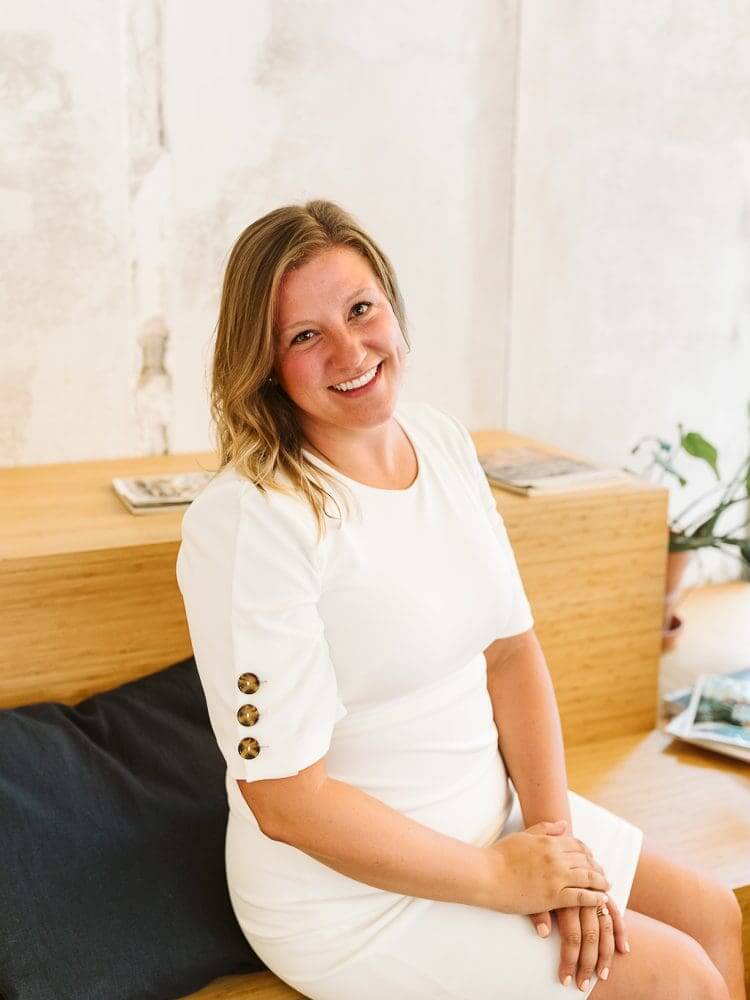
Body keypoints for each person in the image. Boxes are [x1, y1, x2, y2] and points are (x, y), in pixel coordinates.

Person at [175, 199, 745, 1000]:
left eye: (361, 309)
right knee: (676, 978)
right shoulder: (253, 521)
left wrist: (551, 844)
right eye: (305, 335)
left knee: (713, 915)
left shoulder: (439, 441)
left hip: (494, 824)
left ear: (392, 307)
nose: (350, 350)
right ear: (265, 362)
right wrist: (502, 879)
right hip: (352, 898)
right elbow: (286, 802)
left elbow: (511, 653)